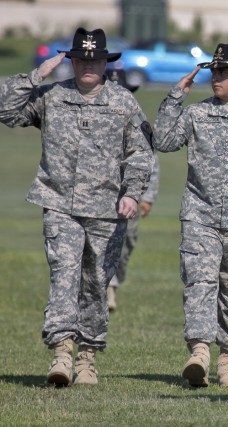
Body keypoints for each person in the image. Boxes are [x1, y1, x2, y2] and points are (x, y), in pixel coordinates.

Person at [0, 27, 154, 386]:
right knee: (64, 276)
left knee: (97, 283)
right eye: (81, 58)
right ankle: (62, 354)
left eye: (95, 59)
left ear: (105, 63)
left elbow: (140, 154)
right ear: (71, 61)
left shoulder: (123, 102)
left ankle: (88, 356)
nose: (88, 65)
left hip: (107, 209)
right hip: (59, 205)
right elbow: (5, 109)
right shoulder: (51, 97)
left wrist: (132, 192)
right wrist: (37, 74)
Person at [152, 43, 228, 388]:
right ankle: (200, 352)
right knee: (200, 284)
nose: (216, 78)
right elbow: (163, 140)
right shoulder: (197, 114)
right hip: (200, 216)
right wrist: (176, 95)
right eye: (213, 71)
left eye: (224, 72)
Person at [104, 70, 161, 312]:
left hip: (132, 195)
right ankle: (105, 289)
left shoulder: (138, 119)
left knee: (126, 242)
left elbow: (151, 160)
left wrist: (147, 196)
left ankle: (113, 285)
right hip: (100, 194)